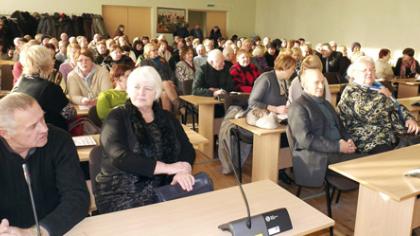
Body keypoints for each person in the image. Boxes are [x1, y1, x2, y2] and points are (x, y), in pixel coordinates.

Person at [95, 66, 195, 214]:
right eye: (136, 87)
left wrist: (184, 169)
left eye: (147, 88)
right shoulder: (116, 117)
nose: (141, 93)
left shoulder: (167, 117)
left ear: (156, 92)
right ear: (128, 89)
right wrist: (168, 168)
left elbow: (187, 149)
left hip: (164, 187)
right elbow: (119, 156)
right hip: (120, 192)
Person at [0, 93, 89, 236]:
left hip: (57, 229)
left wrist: (36, 232)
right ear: (5, 133)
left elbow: (77, 197)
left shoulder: (59, 139)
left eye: (42, 118)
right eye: (33, 126)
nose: (44, 129)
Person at [288, 60, 362, 187]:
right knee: (367, 164)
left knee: (372, 158)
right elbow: (305, 140)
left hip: (337, 151)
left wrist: (348, 140)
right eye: (316, 83)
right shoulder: (298, 107)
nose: (321, 86)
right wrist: (338, 146)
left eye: (322, 82)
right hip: (319, 157)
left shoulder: (327, 104)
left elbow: (340, 127)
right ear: (304, 84)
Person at [338, 56, 420, 154]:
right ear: (355, 73)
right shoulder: (351, 91)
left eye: (372, 69)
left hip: (393, 132)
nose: (369, 73)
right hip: (369, 137)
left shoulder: (378, 86)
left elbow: (397, 105)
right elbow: (367, 114)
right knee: (393, 156)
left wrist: (408, 118)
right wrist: (385, 96)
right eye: (364, 70)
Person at [12, 45, 75, 131]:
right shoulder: (50, 88)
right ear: (48, 62)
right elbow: (70, 114)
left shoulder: (19, 83)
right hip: (50, 136)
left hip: (23, 133)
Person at [141, 43, 180, 112]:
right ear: (148, 52)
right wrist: (165, 83)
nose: (156, 51)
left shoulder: (162, 59)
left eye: (156, 49)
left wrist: (172, 81)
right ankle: (179, 106)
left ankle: (168, 119)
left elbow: (171, 72)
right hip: (154, 85)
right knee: (165, 83)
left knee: (165, 94)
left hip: (168, 86)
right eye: (153, 50)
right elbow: (148, 77)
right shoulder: (145, 62)